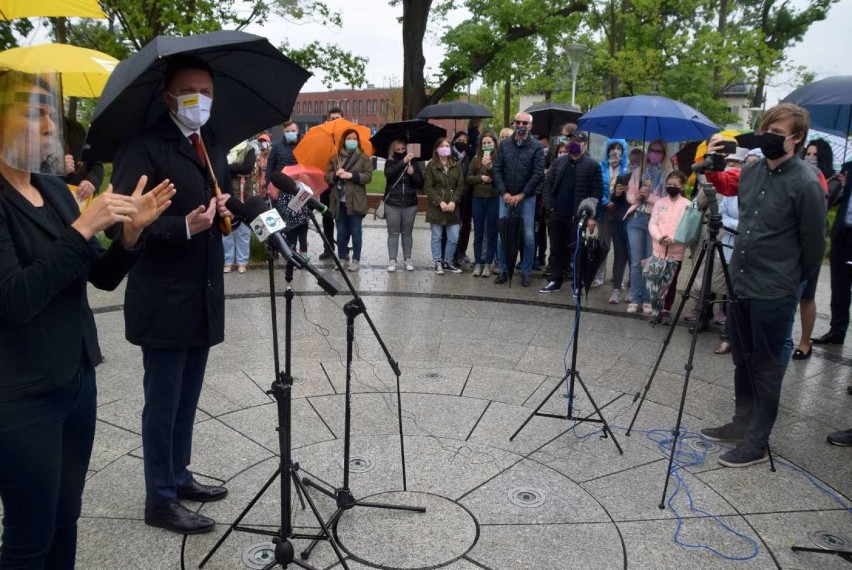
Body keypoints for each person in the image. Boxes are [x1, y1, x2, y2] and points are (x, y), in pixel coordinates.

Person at [0, 70, 174, 567]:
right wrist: (82, 228)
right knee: (28, 538)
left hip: (75, 380)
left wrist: (129, 235)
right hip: (20, 396)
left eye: (51, 110)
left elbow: (98, 277)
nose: (51, 121)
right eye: (33, 111)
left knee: (65, 517)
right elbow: (14, 299)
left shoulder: (53, 188)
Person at [109, 55, 235, 534]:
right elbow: (125, 222)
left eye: (206, 91)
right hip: (162, 297)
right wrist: (184, 225)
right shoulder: (143, 148)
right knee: (162, 402)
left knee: (186, 398)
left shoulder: (209, 145)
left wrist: (222, 206)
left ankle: (178, 475)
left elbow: (211, 203)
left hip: (201, 293)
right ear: (168, 97)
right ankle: (159, 499)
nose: (198, 100)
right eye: (189, 91)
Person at [701, 103, 825, 468]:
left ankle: (758, 441)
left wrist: (795, 283)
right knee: (743, 357)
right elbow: (735, 200)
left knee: (767, 366)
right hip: (742, 279)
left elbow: (814, 244)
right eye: (765, 131)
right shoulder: (753, 172)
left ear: (797, 139)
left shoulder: (806, 183)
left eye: (776, 134)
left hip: (776, 287)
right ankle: (742, 422)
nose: (768, 138)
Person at [539, 131, 603, 293]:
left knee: (578, 251)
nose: (573, 143)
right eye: (571, 140)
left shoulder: (593, 165)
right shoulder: (559, 162)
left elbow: (597, 193)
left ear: (585, 144)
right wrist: (550, 207)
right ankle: (555, 280)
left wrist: (591, 216)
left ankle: (577, 283)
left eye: (577, 141)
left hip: (579, 216)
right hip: (557, 214)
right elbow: (547, 184)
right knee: (556, 250)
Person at [492, 112, 545, 287]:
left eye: (525, 122)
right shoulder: (505, 145)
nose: (521, 125)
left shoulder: (536, 147)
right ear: (514, 123)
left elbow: (538, 174)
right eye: (518, 122)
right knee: (502, 236)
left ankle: (526, 271)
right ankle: (504, 270)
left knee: (528, 236)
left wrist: (521, 195)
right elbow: (497, 170)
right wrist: (505, 193)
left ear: (530, 126)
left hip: (527, 198)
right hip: (505, 196)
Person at [805, 139, 848, 353]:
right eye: (808, 154)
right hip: (843, 234)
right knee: (839, 288)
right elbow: (833, 200)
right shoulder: (847, 171)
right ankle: (836, 331)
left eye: (815, 155)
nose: (811, 158)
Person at [624, 139, 672, 314]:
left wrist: (650, 196)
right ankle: (635, 298)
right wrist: (636, 196)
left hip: (655, 221)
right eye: (652, 150)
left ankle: (646, 298)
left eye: (659, 151)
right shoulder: (638, 171)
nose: (655, 154)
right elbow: (629, 194)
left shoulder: (668, 174)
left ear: (664, 154)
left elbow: (668, 202)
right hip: (636, 218)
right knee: (636, 262)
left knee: (649, 262)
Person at [325, 128, 372, 272]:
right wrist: (336, 175)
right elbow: (326, 177)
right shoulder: (335, 158)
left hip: (356, 201)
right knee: (341, 232)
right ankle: (342, 258)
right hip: (339, 202)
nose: (352, 141)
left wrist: (351, 176)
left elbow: (368, 177)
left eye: (354, 138)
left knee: (356, 232)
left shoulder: (363, 158)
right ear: (344, 140)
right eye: (349, 138)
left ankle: (356, 259)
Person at [647, 171, 691, 321]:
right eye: (669, 184)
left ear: (682, 186)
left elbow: (687, 227)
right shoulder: (660, 203)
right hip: (659, 249)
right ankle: (656, 307)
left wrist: (675, 238)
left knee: (671, 281)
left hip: (676, 250)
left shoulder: (687, 205)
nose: (671, 187)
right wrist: (660, 237)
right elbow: (653, 223)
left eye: (675, 185)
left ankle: (666, 308)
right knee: (656, 279)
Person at [423, 137, 465, 274]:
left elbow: (461, 185)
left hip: (453, 209)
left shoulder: (456, 165)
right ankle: (437, 262)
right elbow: (428, 187)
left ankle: (448, 261)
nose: (445, 148)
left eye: (447, 145)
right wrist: (439, 201)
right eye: (442, 146)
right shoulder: (431, 166)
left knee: (453, 238)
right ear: (437, 149)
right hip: (437, 208)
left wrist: (454, 201)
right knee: (437, 237)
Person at [383, 139, 423, 272]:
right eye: (398, 150)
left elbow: (420, 183)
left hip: (410, 203)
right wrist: (403, 161)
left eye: (403, 149)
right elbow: (389, 175)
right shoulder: (390, 163)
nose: (401, 151)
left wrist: (413, 174)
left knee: (407, 233)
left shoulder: (414, 163)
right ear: (393, 151)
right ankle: (392, 260)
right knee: (393, 233)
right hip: (393, 203)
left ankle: (408, 259)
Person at [599, 138, 630, 303]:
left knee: (621, 249)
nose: (615, 151)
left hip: (621, 214)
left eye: (619, 148)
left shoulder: (628, 168)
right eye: (612, 148)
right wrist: (606, 202)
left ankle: (620, 280)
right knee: (603, 244)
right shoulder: (601, 166)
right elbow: (597, 187)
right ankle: (599, 276)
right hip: (604, 211)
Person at [466, 132, 500, 277]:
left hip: (493, 198)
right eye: (484, 143)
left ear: (494, 143)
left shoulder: (499, 158)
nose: (487, 145)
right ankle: (478, 262)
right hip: (478, 198)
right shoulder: (476, 158)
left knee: (491, 233)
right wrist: (481, 178)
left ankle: (488, 263)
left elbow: (500, 179)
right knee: (478, 232)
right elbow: (468, 178)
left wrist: (491, 167)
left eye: (489, 142)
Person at [223, 140, 255, 273]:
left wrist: (230, 168)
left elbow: (247, 168)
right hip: (227, 194)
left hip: (244, 195)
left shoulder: (249, 149)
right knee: (227, 229)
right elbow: (220, 167)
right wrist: (236, 169)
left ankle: (242, 262)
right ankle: (227, 261)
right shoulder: (224, 147)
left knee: (243, 230)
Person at [318, 107, 344, 259]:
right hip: (326, 187)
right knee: (327, 218)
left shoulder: (348, 138)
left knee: (342, 220)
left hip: (343, 188)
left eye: (338, 118)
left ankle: (343, 247)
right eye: (332, 118)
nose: (335, 121)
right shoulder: (323, 138)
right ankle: (328, 248)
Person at [63, 116, 104, 207]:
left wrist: (91, 181)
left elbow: (95, 163)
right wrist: (56, 169)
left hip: (80, 203)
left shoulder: (76, 128)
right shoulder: (31, 131)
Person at [449, 130, 472, 266]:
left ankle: (461, 251)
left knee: (466, 225)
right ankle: (451, 253)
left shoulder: (468, 156)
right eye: (460, 140)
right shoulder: (449, 155)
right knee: (453, 225)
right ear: (455, 140)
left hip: (467, 195)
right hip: (453, 195)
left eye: (465, 142)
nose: (462, 143)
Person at [264, 120, 298, 186]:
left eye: (293, 131)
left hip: (297, 183)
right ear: (284, 132)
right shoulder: (276, 147)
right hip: (280, 184)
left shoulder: (302, 146)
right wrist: (268, 184)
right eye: (287, 131)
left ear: (297, 131)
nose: (290, 133)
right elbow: (270, 167)